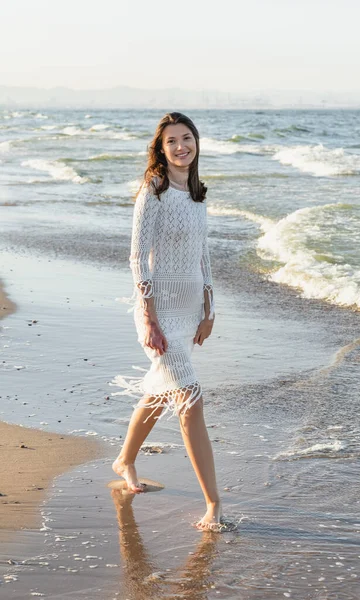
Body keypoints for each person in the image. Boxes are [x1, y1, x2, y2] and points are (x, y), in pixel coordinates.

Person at [112, 112, 222, 531]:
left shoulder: (197, 193)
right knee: (189, 398)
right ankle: (214, 504)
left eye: (187, 138)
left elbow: (203, 252)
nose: (181, 146)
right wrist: (149, 317)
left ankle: (124, 458)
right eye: (172, 141)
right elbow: (138, 258)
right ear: (161, 149)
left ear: (196, 142)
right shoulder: (153, 191)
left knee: (163, 392)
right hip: (157, 313)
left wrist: (209, 308)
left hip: (190, 308)